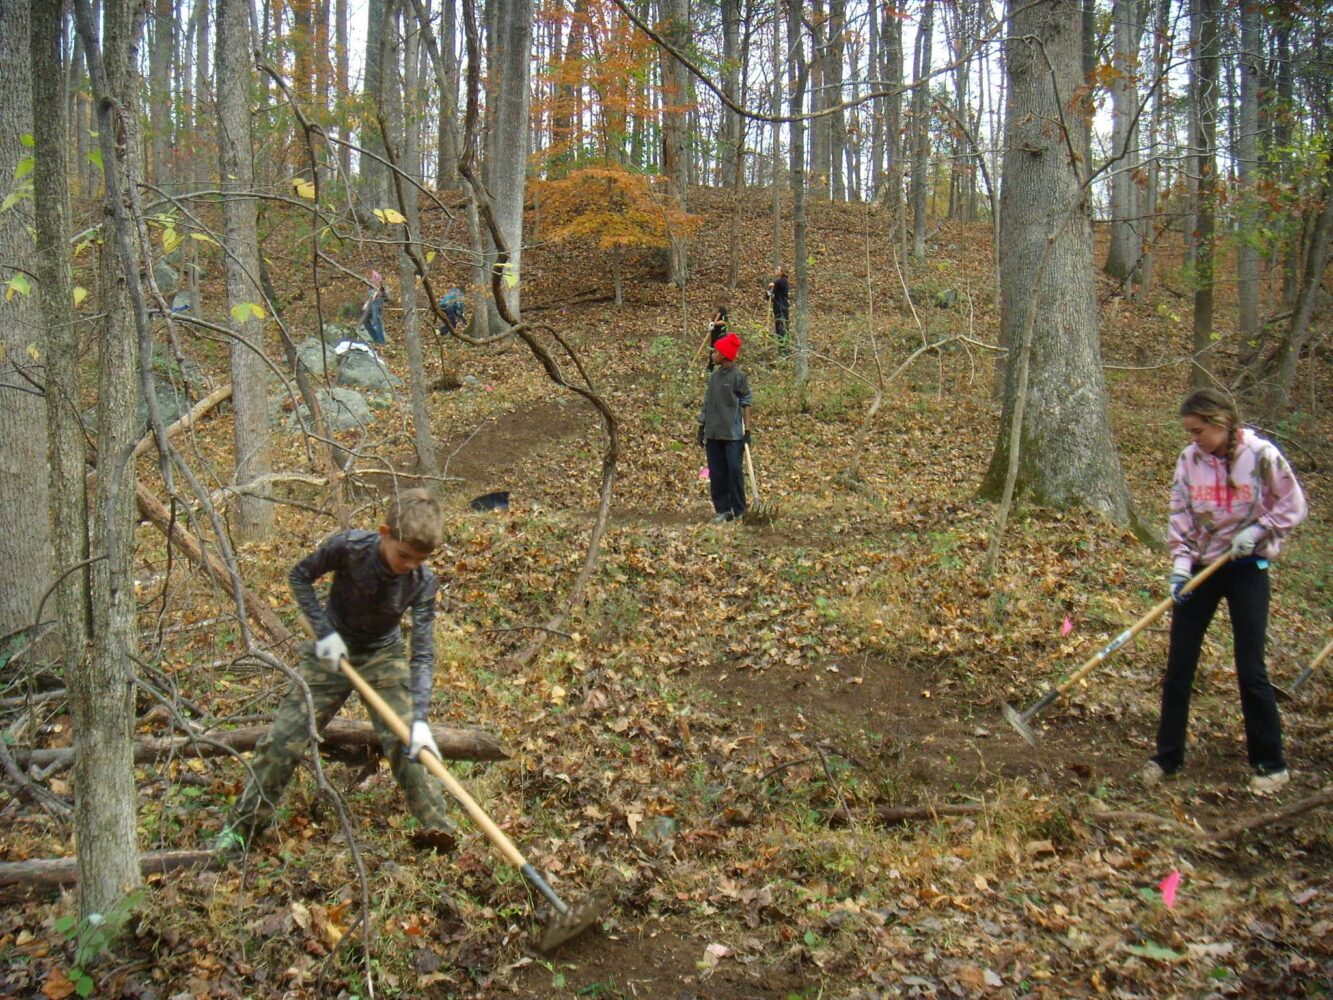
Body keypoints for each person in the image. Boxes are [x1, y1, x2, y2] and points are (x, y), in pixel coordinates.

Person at [217, 489, 459, 852]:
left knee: (408, 744)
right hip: (328, 654)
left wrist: (420, 719)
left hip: (382, 655)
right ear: (384, 532)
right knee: (285, 739)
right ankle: (242, 828)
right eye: (404, 555)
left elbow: (422, 651)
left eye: (420, 560)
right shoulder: (349, 547)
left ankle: (440, 832)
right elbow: (300, 576)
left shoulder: (423, 581)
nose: (410, 565)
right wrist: (326, 634)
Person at [1139, 388, 1307, 795]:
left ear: (1220, 422)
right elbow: (1180, 513)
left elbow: (1294, 504)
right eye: (1189, 431)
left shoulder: (1261, 455)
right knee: (1180, 663)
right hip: (1201, 567)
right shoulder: (1188, 460)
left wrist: (1260, 529)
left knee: (1251, 667)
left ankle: (1270, 763)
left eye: (1199, 430)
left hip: (1247, 567)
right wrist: (1180, 566)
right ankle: (1167, 757)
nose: (1194, 438)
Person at [696, 332, 752, 523]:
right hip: (713, 433)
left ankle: (739, 510)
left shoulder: (739, 377)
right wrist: (702, 425)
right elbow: (707, 402)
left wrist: (748, 431)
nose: (713, 354)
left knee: (734, 470)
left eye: (716, 351)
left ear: (725, 355)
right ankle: (723, 510)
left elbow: (746, 402)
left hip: (733, 434)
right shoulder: (714, 377)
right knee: (717, 472)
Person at [702, 294, 730, 371]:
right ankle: (710, 368)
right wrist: (710, 323)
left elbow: (725, 322)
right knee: (712, 350)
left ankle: (722, 368)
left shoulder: (723, 309)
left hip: (721, 334)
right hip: (714, 332)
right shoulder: (715, 309)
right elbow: (712, 318)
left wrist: (715, 323)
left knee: (719, 351)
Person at [361, 268, 388, 344]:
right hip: (371, 301)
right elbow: (369, 292)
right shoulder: (367, 278)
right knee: (365, 320)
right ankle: (375, 338)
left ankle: (381, 340)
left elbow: (381, 289)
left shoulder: (376, 276)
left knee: (377, 320)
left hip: (377, 301)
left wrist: (381, 292)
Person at [765, 268, 789, 352]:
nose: (775, 270)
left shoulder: (783, 280)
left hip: (782, 308)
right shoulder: (777, 284)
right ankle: (781, 349)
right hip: (777, 309)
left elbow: (777, 283)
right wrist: (769, 289)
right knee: (779, 329)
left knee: (782, 329)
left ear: (781, 271)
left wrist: (772, 284)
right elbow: (768, 296)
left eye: (777, 269)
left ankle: (784, 350)